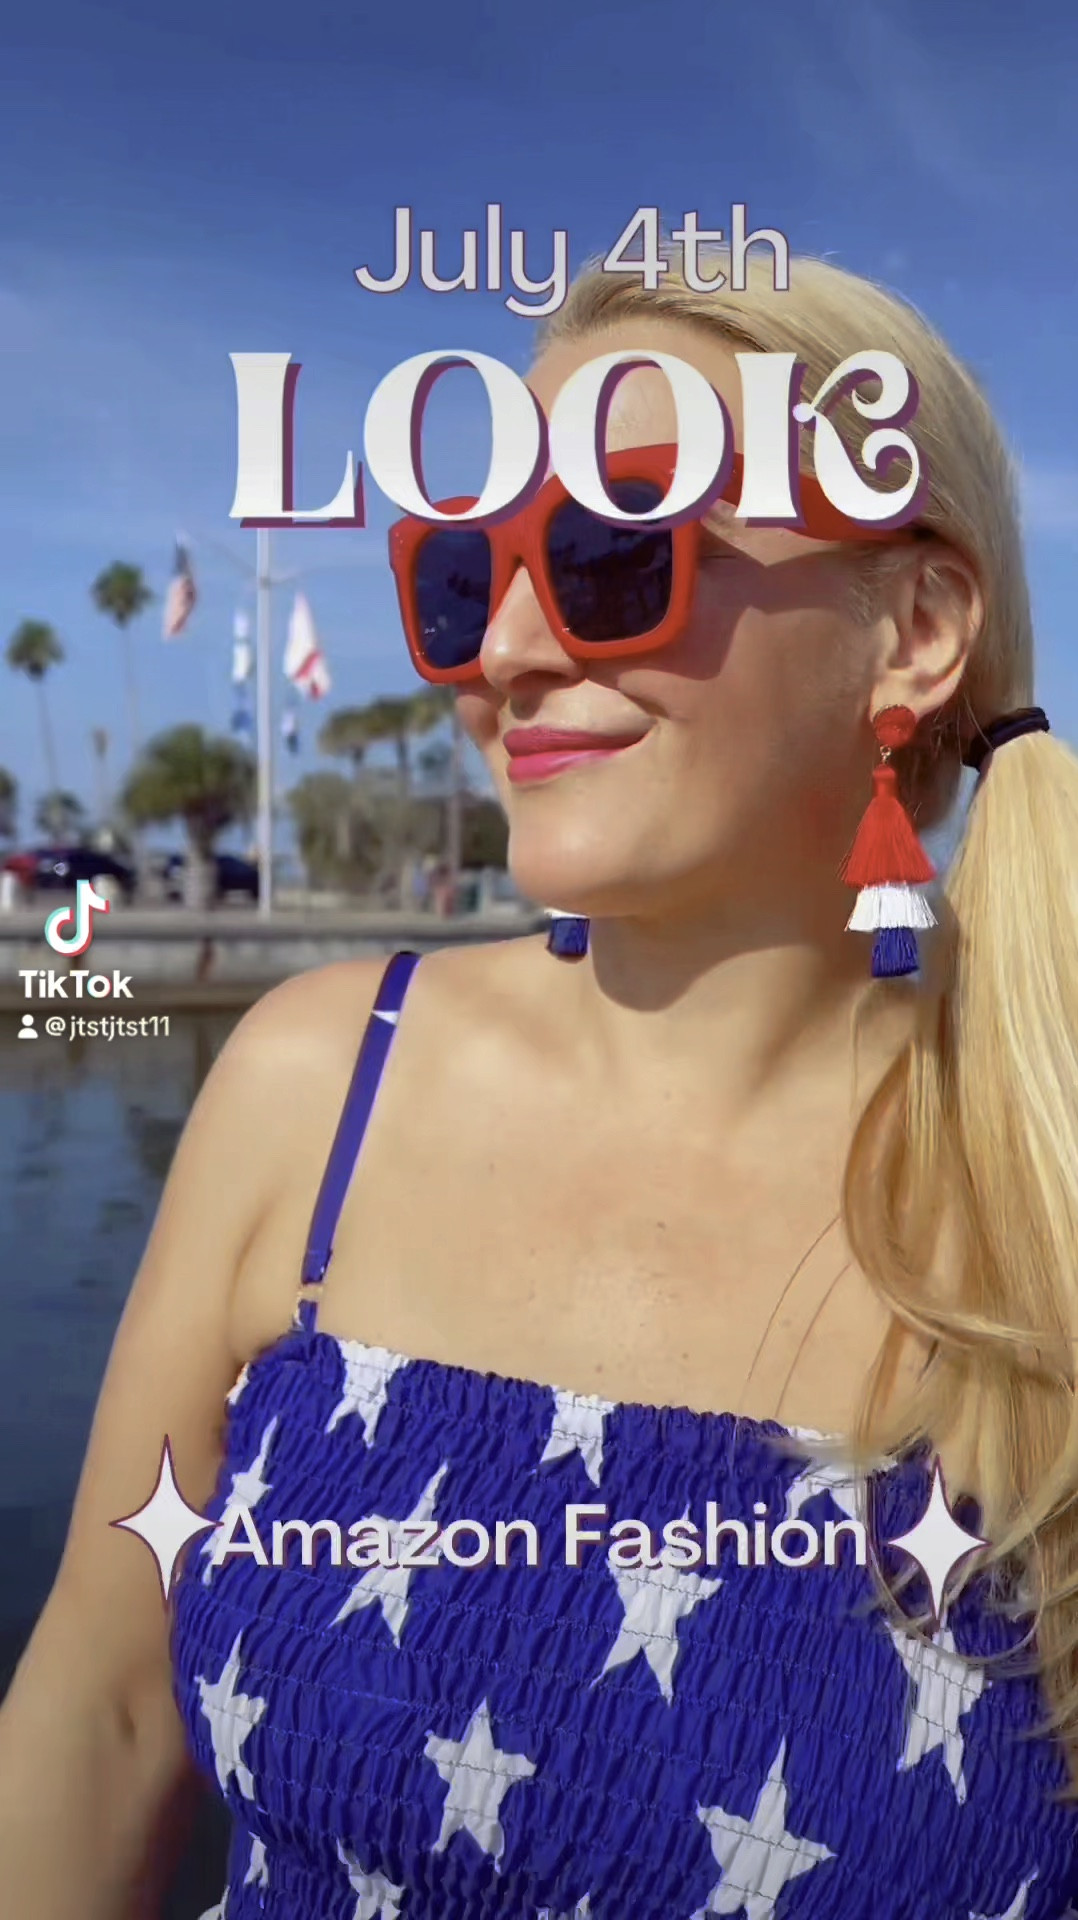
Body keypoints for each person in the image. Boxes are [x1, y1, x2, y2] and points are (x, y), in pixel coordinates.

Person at [2, 246, 1077, 1920]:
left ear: (912, 625)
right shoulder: (312, 1085)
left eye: (606, 553)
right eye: (464, 573)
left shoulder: (1051, 1170)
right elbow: (104, 1703)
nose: (498, 648)